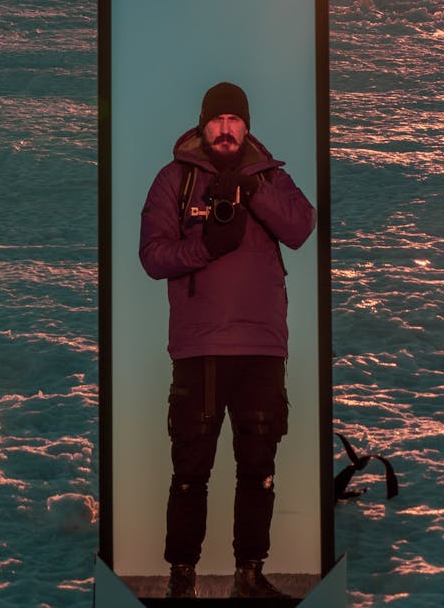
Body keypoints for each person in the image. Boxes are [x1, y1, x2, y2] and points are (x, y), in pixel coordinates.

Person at [139, 82, 316, 600]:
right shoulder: (174, 180)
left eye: (233, 120)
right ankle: (182, 581)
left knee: (259, 467)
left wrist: (254, 193)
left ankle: (249, 577)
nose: (224, 128)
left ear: (246, 126)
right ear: (201, 124)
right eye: (215, 120)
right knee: (190, 469)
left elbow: (303, 227)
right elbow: (153, 256)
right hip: (200, 348)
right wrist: (206, 246)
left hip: (262, 347)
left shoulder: (271, 178)